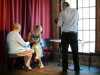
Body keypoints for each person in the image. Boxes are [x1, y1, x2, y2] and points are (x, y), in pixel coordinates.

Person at [57, 2, 80, 73]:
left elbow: (59, 24)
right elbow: (77, 21)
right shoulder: (75, 11)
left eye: (62, 6)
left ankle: (65, 68)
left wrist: (57, 21)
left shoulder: (62, 13)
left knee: (64, 52)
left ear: (64, 5)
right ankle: (77, 68)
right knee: (75, 52)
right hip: (73, 34)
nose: (62, 7)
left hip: (65, 35)